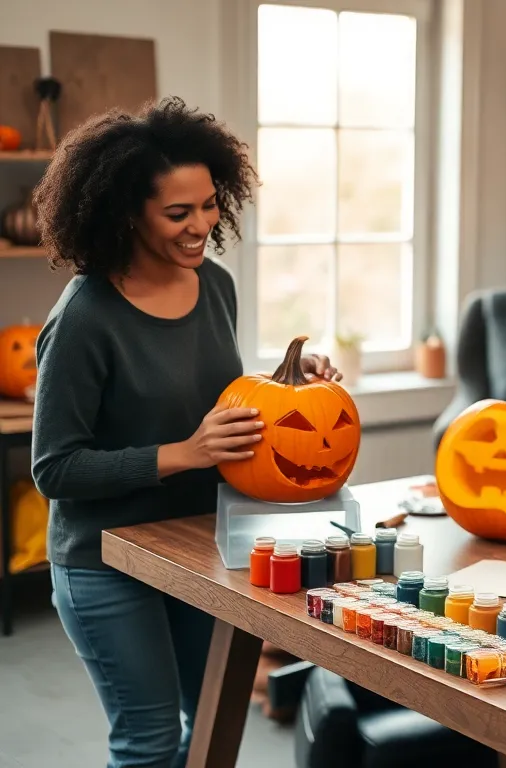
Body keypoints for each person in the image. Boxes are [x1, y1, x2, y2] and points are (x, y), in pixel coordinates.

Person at [30, 97, 341, 768]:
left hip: (199, 548)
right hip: (106, 563)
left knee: (212, 724)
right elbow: (55, 469)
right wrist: (184, 455)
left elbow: (204, 394)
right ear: (124, 212)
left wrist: (291, 378)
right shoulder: (85, 318)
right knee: (150, 745)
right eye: (178, 213)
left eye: (209, 205)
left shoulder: (216, 286)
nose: (202, 224)